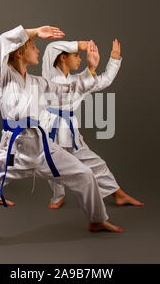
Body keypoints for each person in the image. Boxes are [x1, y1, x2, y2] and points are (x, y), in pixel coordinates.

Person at [0, 25, 123, 245]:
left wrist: (90, 69)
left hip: (42, 147)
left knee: (86, 175)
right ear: (20, 52)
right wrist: (34, 32)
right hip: (14, 150)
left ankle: (96, 220)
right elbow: (2, 42)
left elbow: (67, 89)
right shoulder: (4, 78)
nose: (38, 50)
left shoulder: (38, 83)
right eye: (33, 47)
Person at [41, 40, 144, 209]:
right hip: (49, 126)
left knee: (95, 162)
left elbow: (105, 80)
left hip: (69, 130)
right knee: (51, 163)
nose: (79, 59)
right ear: (62, 58)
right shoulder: (49, 74)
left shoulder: (82, 80)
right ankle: (58, 195)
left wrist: (114, 59)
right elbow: (51, 48)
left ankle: (118, 193)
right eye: (76, 56)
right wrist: (79, 44)